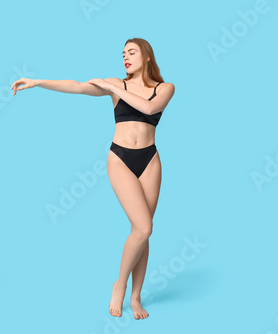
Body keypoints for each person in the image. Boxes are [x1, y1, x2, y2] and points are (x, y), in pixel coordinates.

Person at [11, 37, 175, 320]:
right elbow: (76, 86)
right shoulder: (117, 83)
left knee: (143, 233)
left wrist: (111, 87)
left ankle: (136, 297)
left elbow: (149, 109)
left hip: (150, 160)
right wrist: (38, 82)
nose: (125, 57)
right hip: (121, 159)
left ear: (147, 56)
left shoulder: (164, 88)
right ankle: (119, 285)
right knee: (144, 227)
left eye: (131, 52)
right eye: (123, 53)